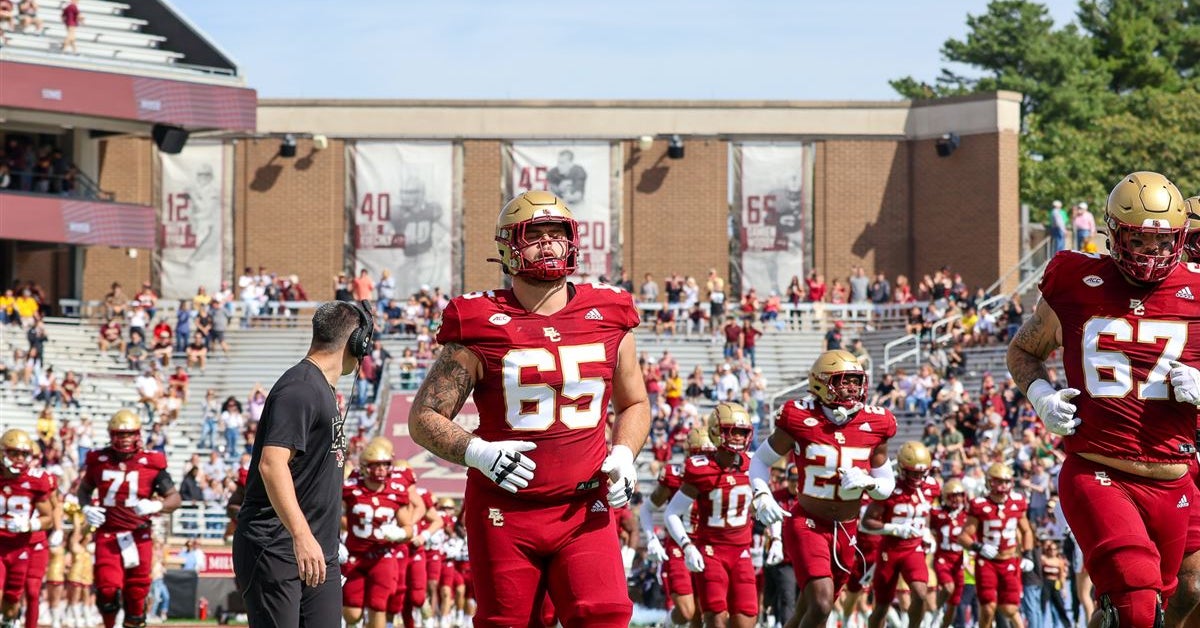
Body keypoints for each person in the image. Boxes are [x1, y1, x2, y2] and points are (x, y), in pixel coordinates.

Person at [407, 190, 650, 627]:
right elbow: (425, 418)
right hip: (506, 509)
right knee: (509, 622)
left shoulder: (611, 311)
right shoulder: (478, 318)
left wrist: (625, 454)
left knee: (605, 615)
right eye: (534, 235)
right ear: (507, 247)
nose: (548, 244)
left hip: (584, 507)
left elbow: (635, 402)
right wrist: (478, 452)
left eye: (557, 234)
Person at [1007, 171, 1200, 627]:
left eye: (1161, 242)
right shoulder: (1074, 281)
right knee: (1135, 601)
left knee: (1160, 609)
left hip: (1172, 479)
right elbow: (1023, 349)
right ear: (1113, 233)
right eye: (1137, 240)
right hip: (1098, 469)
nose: (1149, 254)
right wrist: (1040, 395)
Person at [233, 300, 376, 627]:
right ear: (357, 342)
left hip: (318, 551)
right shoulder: (300, 388)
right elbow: (272, 464)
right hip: (278, 546)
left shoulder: (322, 389)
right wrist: (302, 535)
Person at [748, 350, 896, 628]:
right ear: (820, 382)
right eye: (843, 380)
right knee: (821, 604)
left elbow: (886, 485)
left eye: (856, 380)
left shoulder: (878, 423)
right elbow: (760, 460)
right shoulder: (798, 416)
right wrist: (762, 493)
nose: (852, 388)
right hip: (808, 524)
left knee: (808, 608)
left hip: (847, 530)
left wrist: (870, 482)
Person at [76, 411, 181, 628]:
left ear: (138, 435)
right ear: (111, 435)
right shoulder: (98, 460)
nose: (124, 439)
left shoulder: (151, 462)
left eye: (129, 434)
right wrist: (86, 507)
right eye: (119, 434)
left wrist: (156, 504)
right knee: (106, 590)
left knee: (136, 594)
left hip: (138, 534)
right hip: (108, 534)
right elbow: (84, 489)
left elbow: (175, 498)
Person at [665, 405, 758, 628]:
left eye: (742, 432)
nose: (738, 437)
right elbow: (672, 512)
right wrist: (687, 546)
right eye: (732, 431)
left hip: (741, 550)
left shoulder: (754, 465)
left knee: (746, 621)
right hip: (711, 550)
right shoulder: (701, 468)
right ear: (717, 432)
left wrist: (774, 535)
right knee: (715, 619)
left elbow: (764, 499)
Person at [640, 428, 714, 628]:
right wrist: (651, 538)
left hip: (707, 547)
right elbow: (647, 509)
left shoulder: (718, 477)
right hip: (679, 548)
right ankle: (666, 625)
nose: (706, 460)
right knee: (686, 611)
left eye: (710, 455)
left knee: (701, 614)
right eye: (701, 454)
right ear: (690, 452)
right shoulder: (675, 476)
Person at [860, 441, 939, 628]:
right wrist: (894, 528)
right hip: (890, 549)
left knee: (920, 594)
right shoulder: (890, 489)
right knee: (882, 606)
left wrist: (926, 531)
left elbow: (924, 513)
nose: (918, 477)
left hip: (914, 549)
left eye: (922, 472)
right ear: (903, 468)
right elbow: (867, 522)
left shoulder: (931, 488)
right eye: (914, 472)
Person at [340, 441, 415, 628]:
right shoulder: (350, 488)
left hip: (382, 556)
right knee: (352, 613)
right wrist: (337, 538)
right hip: (355, 555)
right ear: (365, 466)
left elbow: (408, 527)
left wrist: (399, 534)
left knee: (378, 605)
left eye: (385, 464)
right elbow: (331, 514)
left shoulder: (396, 491)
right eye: (376, 465)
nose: (382, 469)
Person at [957, 464, 1034, 628]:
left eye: (1006, 482)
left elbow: (1026, 531)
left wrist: (1028, 555)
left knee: (1009, 608)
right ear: (990, 483)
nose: (1003, 486)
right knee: (988, 608)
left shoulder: (1018, 502)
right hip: (987, 562)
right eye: (999, 482)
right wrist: (979, 547)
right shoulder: (980, 505)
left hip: (1010, 561)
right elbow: (963, 536)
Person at [0, 430, 54, 627]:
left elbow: (48, 516)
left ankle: (8, 622)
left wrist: (29, 525)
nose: (19, 459)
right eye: (14, 453)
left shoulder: (35, 481)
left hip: (20, 547)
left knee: (13, 599)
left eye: (23, 454)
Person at [931, 479, 969, 628]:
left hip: (958, 560)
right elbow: (925, 527)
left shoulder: (967, 515)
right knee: (948, 587)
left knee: (954, 602)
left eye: (959, 495)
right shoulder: (936, 514)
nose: (956, 499)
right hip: (943, 557)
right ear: (945, 496)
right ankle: (936, 612)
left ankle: (943, 626)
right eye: (952, 495)